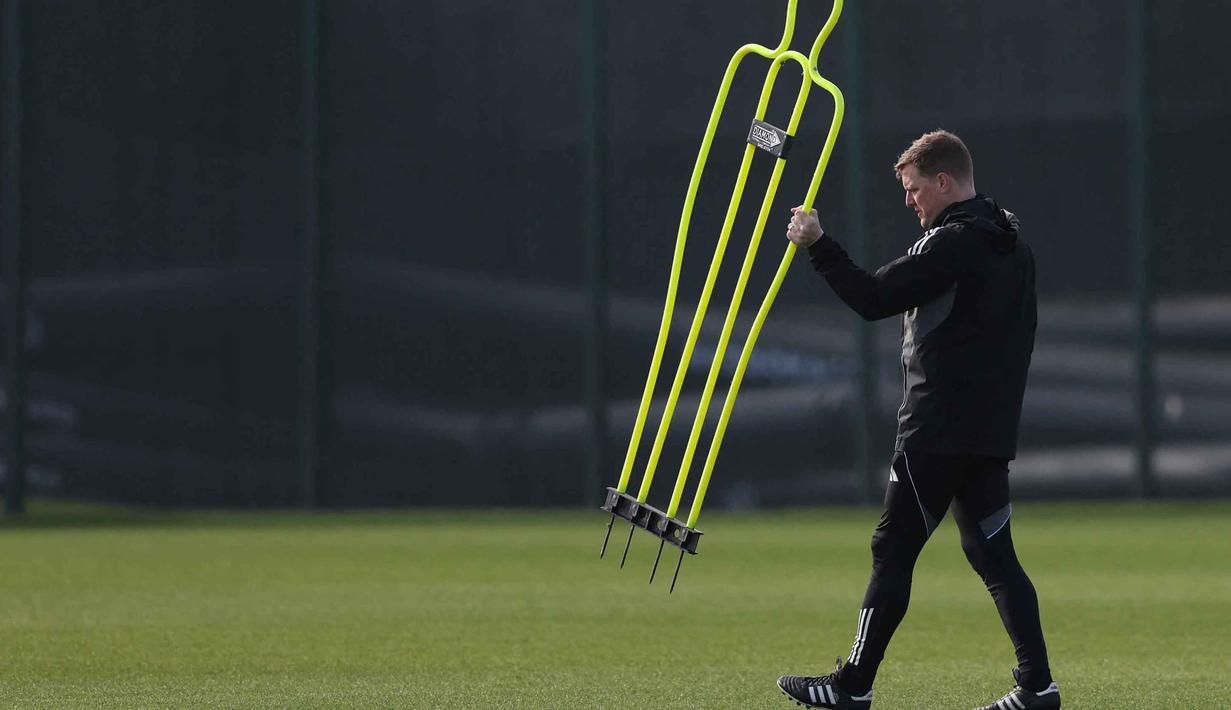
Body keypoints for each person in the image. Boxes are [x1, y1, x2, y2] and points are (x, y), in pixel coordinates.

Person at [774, 130, 1060, 710]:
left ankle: (852, 686)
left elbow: (873, 298)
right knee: (993, 555)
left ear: (944, 182)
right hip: (988, 431)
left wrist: (817, 244)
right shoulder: (1013, 245)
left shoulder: (950, 243)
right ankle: (1037, 687)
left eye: (914, 189)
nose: (909, 201)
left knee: (893, 548)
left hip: (935, 429)